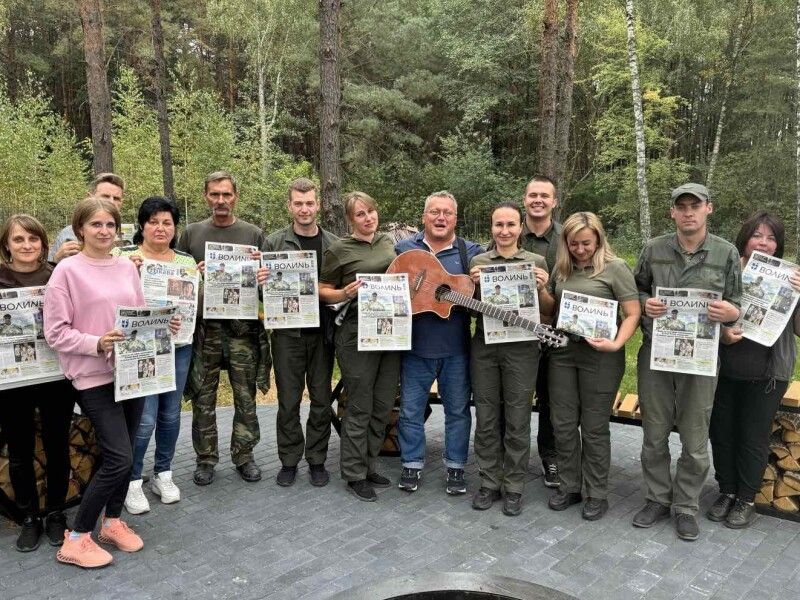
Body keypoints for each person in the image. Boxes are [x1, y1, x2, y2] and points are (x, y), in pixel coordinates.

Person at [44, 197, 176, 568]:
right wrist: (96, 342)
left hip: (131, 374)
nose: (104, 231)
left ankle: (113, 521)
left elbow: (136, 316)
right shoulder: (66, 271)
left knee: (129, 452)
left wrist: (163, 326)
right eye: (95, 225)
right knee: (118, 458)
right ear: (79, 229)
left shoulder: (125, 267)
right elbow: (55, 333)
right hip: (92, 377)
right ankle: (77, 537)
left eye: (110, 225)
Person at [632, 183, 741, 541]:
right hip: (657, 354)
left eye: (696, 205)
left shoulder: (726, 253)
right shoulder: (654, 249)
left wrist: (731, 312)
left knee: (695, 439)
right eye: (682, 207)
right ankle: (657, 498)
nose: (689, 212)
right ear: (673, 212)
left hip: (702, 359)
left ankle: (686, 507)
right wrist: (646, 304)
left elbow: (738, 305)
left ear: (709, 208)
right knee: (654, 434)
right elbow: (637, 290)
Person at [539, 212, 641, 520]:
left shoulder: (616, 268)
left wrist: (617, 342)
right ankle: (570, 486)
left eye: (586, 243)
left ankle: (597, 492)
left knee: (594, 428)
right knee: (564, 424)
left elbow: (633, 313)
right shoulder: (562, 268)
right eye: (573, 244)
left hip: (601, 356)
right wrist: (543, 289)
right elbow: (553, 310)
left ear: (598, 238)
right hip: (563, 353)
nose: (580, 249)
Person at [708, 212, 800, 528]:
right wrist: (722, 332)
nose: (763, 242)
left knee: (753, 436)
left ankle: (746, 498)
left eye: (771, 237)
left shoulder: (791, 277)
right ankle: (726, 491)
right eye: (757, 235)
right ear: (745, 239)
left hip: (768, 374)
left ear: (779, 244)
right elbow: (705, 317)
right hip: (723, 368)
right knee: (720, 432)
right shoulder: (724, 272)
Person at [177, 171, 267, 485]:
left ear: (235, 197)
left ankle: (244, 456)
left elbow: (264, 288)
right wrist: (195, 275)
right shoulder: (191, 234)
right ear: (206, 197)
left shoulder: (253, 234)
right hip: (206, 331)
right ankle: (205, 459)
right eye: (215, 194)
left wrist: (260, 279)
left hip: (242, 331)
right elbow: (179, 284)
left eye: (226, 195)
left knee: (245, 396)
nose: (221, 201)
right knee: (204, 397)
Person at [112, 197, 197, 515]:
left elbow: (191, 307)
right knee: (143, 419)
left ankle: (164, 473)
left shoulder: (186, 263)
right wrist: (122, 273)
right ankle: (133, 480)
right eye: (154, 221)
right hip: (139, 349)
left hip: (178, 347)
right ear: (142, 225)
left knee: (170, 415)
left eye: (167, 222)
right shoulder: (123, 257)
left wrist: (182, 316)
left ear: (175, 228)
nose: (160, 228)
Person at [395, 191, 483, 495]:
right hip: (415, 347)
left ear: (455, 218)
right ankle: (411, 463)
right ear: (424, 216)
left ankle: (456, 467)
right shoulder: (403, 249)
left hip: (456, 349)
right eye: (434, 212)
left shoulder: (471, 252)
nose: (440, 217)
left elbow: (489, 287)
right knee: (410, 410)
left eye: (447, 212)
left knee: (458, 411)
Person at [0, 215, 76, 552]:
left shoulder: (58, 275)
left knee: (58, 444)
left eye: (33, 239)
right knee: (19, 450)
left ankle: (56, 512)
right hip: (12, 380)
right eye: (19, 240)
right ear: (6, 246)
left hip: (55, 375)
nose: (27, 246)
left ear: (44, 244)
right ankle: (29, 517)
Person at [468, 202, 549, 516]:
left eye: (511, 225)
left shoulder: (535, 262)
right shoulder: (478, 261)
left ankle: (514, 486)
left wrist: (541, 289)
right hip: (486, 347)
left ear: (521, 228)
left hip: (522, 348)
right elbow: (467, 306)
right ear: (491, 227)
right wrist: (471, 285)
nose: (504, 231)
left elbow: (549, 310)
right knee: (486, 418)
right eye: (498, 225)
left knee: (517, 420)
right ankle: (489, 481)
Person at [319, 191, 399, 502]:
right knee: (360, 405)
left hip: (391, 331)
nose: (368, 218)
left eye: (371, 212)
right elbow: (323, 290)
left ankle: (369, 465)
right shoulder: (339, 250)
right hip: (355, 334)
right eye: (360, 214)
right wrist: (344, 294)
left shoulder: (388, 242)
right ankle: (354, 473)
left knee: (382, 405)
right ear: (351, 220)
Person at [262, 178, 338, 488]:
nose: (304, 209)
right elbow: (259, 291)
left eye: (309, 203)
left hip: (322, 334)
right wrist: (261, 279)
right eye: (298, 203)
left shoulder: (334, 243)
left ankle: (317, 459)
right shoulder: (274, 242)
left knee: (321, 400)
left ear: (318, 204)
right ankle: (289, 460)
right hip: (287, 334)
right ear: (289, 206)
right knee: (289, 401)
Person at [519, 176, 562, 487]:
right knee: (515, 397)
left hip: (556, 332)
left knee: (551, 398)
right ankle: (512, 457)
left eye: (544, 196)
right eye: (533, 195)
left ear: (554, 202)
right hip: (513, 333)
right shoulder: (506, 231)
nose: (538, 200)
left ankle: (551, 457)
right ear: (524, 200)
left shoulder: (567, 238)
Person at [49, 173, 125, 263]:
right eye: (105, 196)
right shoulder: (68, 235)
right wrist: (55, 260)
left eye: (116, 198)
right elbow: (48, 273)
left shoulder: (130, 237)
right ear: (89, 197)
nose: (111, 202)